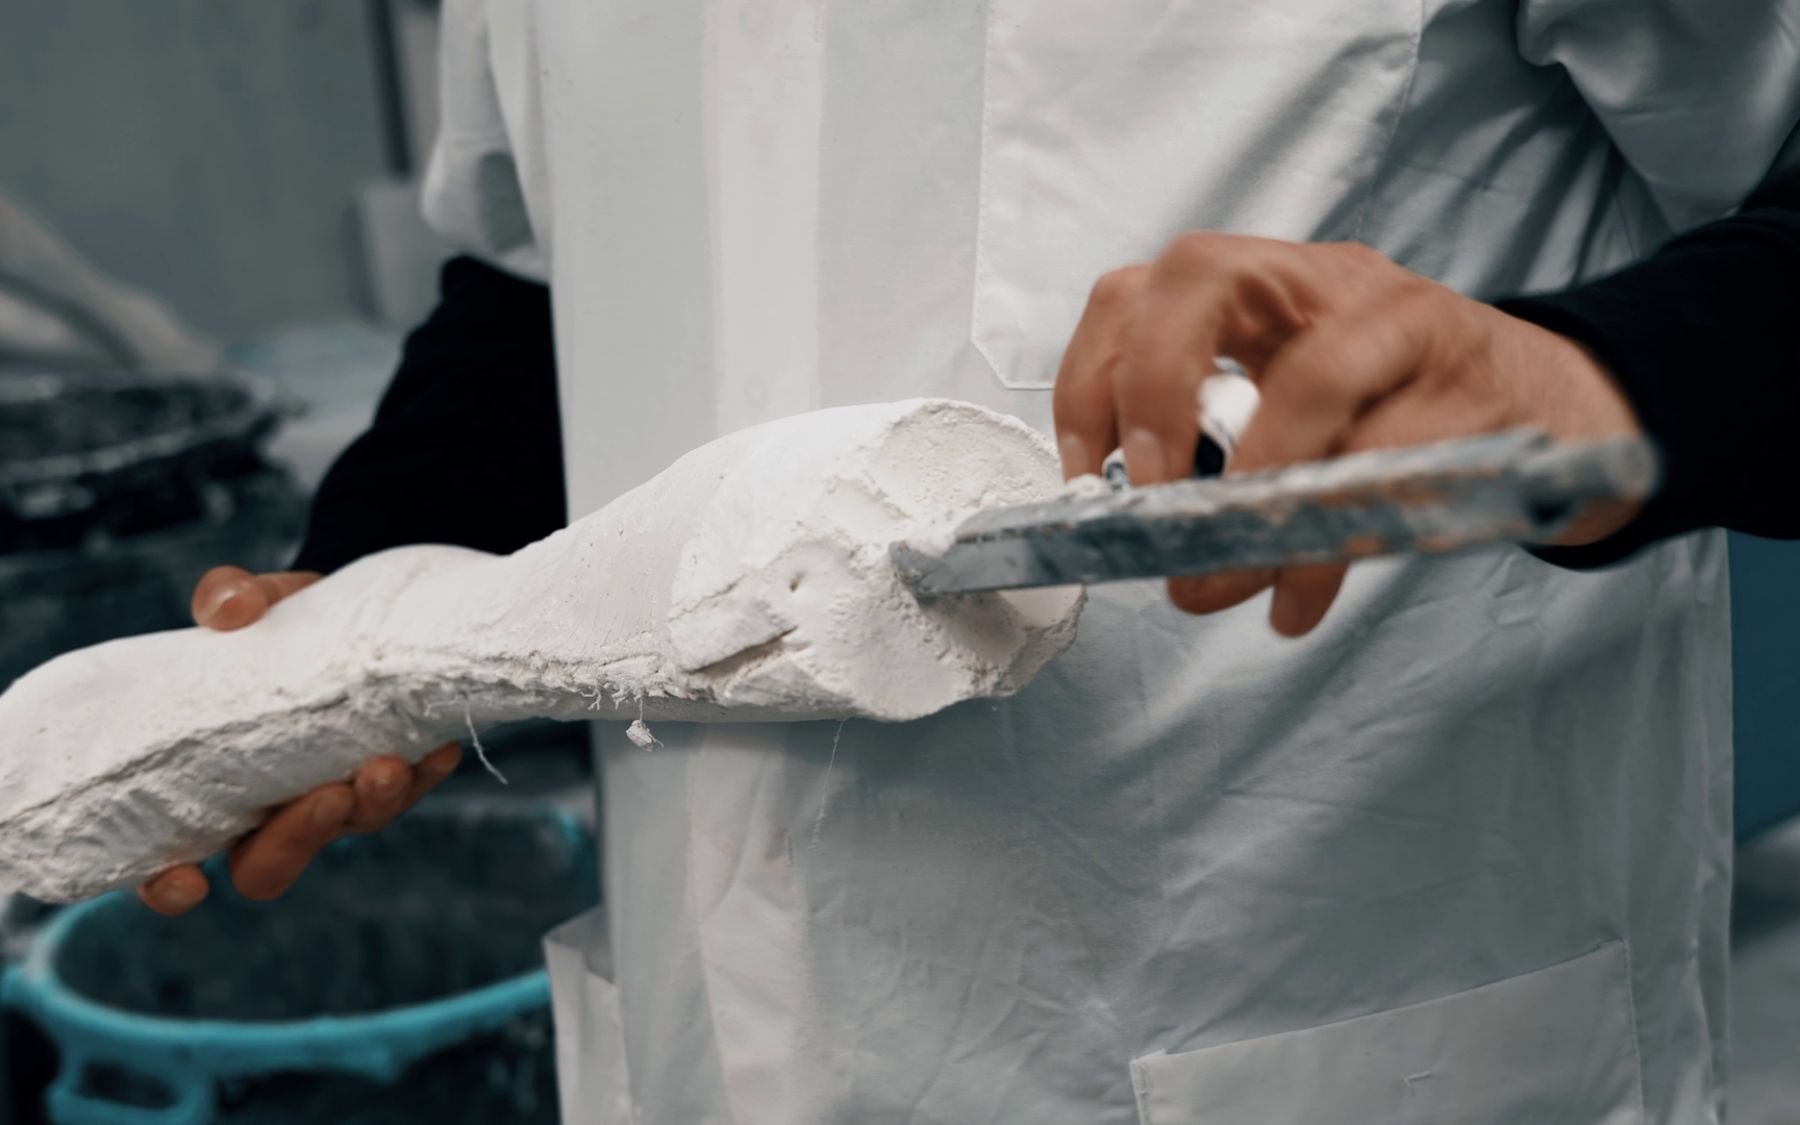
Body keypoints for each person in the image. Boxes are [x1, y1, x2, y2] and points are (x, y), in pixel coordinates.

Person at [140, 3, 1800, 1121]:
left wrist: (1570, 381)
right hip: (711, 1025)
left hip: (1300, 988)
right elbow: (542, 271)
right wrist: (373, 579)